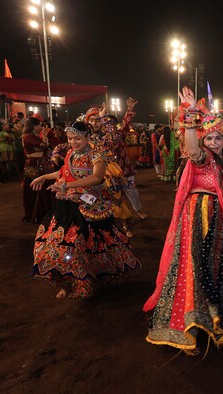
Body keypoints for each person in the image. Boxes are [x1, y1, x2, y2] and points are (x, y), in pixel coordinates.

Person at [144, 88, 223, 354]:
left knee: (214, 270)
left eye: (217, 138)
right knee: (193, 270)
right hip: (196, 222)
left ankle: (213, 312)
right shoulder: (203, 159)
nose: (212, 143)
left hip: (219, 225)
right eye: (208, 138)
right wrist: (190, 115)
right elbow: (192, 150)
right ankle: (188, 324)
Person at [30, 121, 140, 299]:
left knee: (82, 245)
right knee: (53, 242)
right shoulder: (71, 153)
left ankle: (86, 283)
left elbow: (97, 177)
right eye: (70, 138)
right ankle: (66, 282)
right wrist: (44, 177)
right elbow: (62, 172)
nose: (73, 142)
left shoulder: (97, 154)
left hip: (91, 205)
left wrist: (68, 185)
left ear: (87, 136)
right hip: (66, 203)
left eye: (77, 138)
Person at [21, 116, 55, 223]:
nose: (41, 127)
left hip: (38, 164)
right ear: (34, 126)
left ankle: (43, 213)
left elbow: (44, 148)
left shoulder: (32, 136)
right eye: (40, 125)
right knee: (38, 189)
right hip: (35, 167)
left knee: (41, 189)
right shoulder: (29, 136)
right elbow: (45, 147)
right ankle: (38, 215)